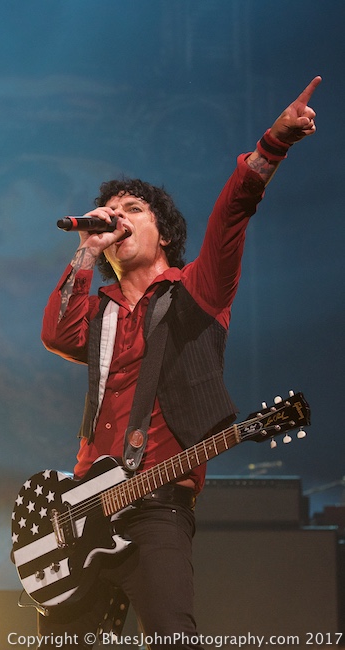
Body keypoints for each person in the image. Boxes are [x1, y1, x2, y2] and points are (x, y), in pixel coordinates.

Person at [36, 77, 321, 648]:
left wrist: (273, 145)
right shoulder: (101, 312)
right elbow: (55, 333)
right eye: (109, 211)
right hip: (83, 512)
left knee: (172, 638)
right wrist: (86, 248)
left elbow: (232, 215)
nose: (116, 217)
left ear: (163, 232)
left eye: (132, 210)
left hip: (157, 509)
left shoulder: (197, 292)